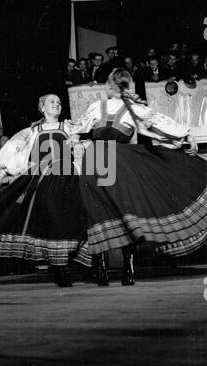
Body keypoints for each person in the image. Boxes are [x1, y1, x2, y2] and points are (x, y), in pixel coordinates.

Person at [69, 68, 207, 285]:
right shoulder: (135, 108)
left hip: (96, 159)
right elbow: (162, 123)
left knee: (96, 211)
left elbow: (76, 129)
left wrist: (72, 140)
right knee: (124, 210)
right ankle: (127, 269)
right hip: (119, 160)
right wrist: (186, 134)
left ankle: (102, 269)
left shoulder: (97, 106)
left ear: (109, 85)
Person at [0, 94, 92, 287]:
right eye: (52, 102)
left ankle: (74, 263)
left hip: (67, 178)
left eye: (59, 102)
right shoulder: (32, 131)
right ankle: (59, 268)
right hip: (43, 179)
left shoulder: (68, 127)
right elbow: (13, 153)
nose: (57, 104)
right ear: (42, 108)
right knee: (51, 218)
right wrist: (0, 177)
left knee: (73, 217)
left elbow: (82, 141)